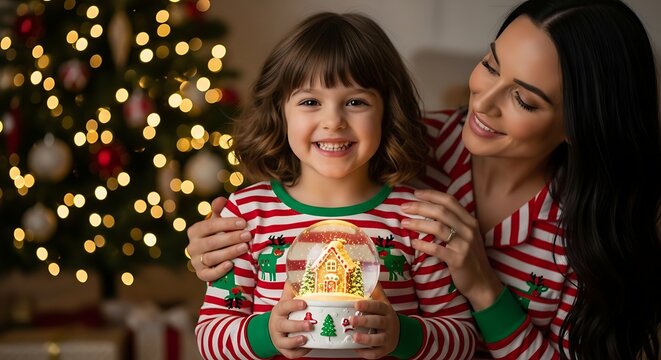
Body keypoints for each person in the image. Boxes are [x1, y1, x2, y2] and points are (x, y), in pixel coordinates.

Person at [189, 1, 661, 359]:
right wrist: (214, 245)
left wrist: (480, 288)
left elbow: (453, 330)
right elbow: (220, 318)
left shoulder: (587, 231)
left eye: (524, 99)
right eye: (492, 65)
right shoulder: (404, 146)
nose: (483, 103)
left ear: (583, 123)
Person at [194, 12, 478, 360]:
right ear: (279, 110)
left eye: (356, 102)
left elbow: (462, 338)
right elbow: (210, 336)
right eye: (310, 102)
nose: (333, 121)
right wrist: (265, 332)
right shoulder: (248, 215)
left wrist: (401, 334)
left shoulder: (416, 219)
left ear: (387, 111)